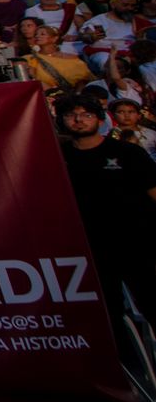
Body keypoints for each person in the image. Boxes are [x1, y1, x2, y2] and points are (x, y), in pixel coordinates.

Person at [55, 94, 156, 344]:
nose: (78, 120)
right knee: (109, 312)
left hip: (137, 242)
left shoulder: (127, 152)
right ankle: (125, 361)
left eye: (86, 115)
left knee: (151, 301)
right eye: (71, 115)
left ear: (100, 120)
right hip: (91, 248)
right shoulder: (57, 156)